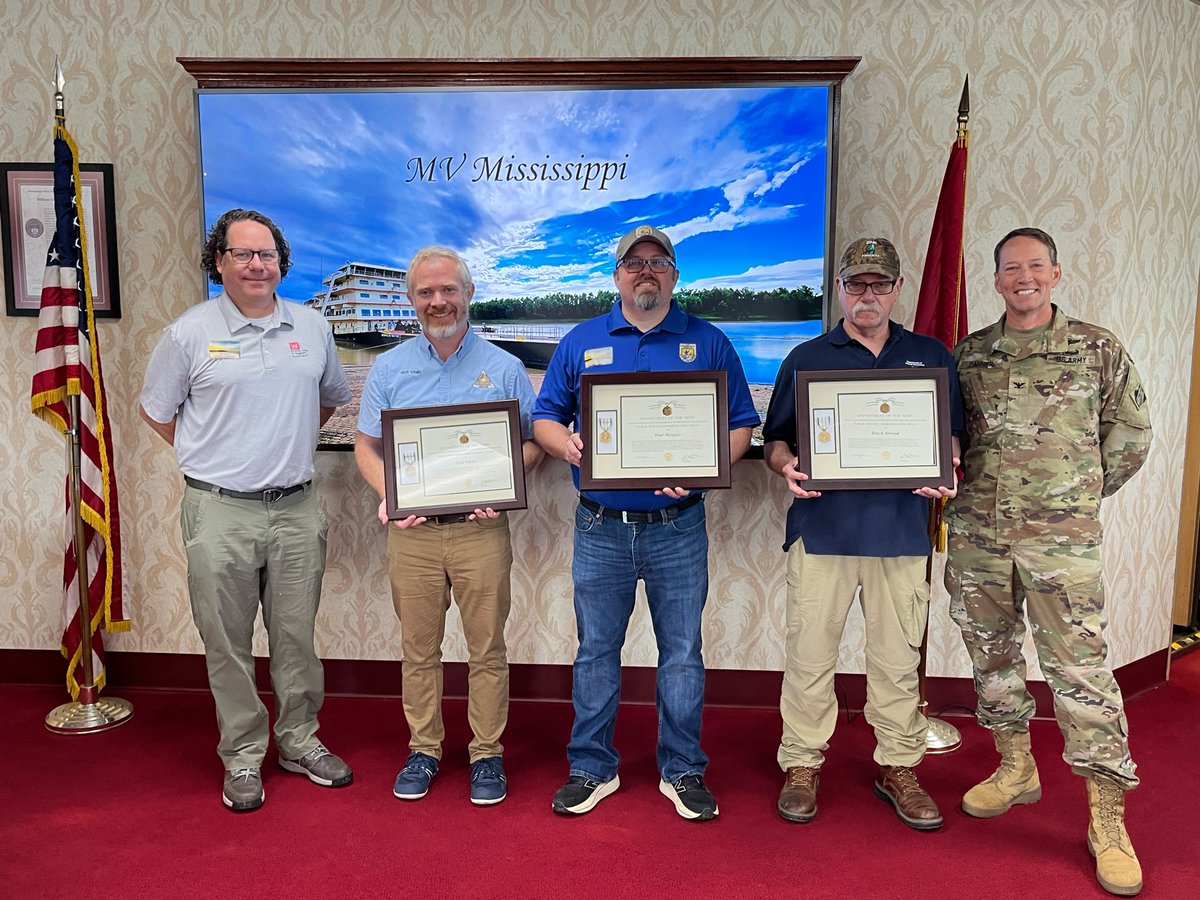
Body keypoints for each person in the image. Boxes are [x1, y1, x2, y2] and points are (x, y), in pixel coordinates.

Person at [945, 227, 1152, 896]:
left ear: (1055, 275)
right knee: (992, 657)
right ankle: (1016, 768)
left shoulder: (1096, 348)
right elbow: (945, 439)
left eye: (1036, 265)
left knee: (1080, 672)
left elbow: (1131, 435)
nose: (1024, 276)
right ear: (997, 279)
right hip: (979, 537)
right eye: (1012, 268)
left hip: (1060, 543)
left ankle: (1108, 819)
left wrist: (1079, 494)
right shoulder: (970, 355)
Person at [532, 225, 759, 821]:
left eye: (658, 262)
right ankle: (591, 767)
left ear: (675, 275)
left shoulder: (709, 342)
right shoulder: (581, 341)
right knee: (595, 651)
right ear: (616, 276)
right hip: (600, 525)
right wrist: (570, 447)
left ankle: (682, 770)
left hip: (678, 525)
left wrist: (707, 469)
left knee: (682, 652)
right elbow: (545, 418)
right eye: (634, 263)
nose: (646, 272)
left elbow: (740, 425)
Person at [139, 208, 353, 812]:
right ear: (219, 262)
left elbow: (331, 401)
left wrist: (278, 450)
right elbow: (157, 413)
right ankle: (241, 754)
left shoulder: (312, 327)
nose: (257, 265)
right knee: (226, 641)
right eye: (243, 254)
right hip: (218, 512)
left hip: (296, 508)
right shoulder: (187, 333)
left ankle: (299, 741)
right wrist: (215, 458)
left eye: (267, 254)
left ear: (280, 263)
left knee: (295, 637)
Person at [762, 237, 962, 831]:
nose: (867, 295)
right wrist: (786, 467)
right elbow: (776, 442)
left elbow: (950, 441)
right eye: (856, 285)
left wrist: (947, 466)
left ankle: (898, 765)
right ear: (841, 291)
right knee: (809, 656)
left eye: (879, 284)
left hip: (901, 536)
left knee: (897, 660)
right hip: (821, 534)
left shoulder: (932, 356)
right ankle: (801, 764)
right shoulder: (806, 356)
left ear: (897, 289)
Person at [354, 246, 541, 806]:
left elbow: (533, 443)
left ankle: (487, 754)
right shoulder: (388, 368)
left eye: (449, 290)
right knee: (420, 649)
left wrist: (502, 485)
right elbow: (366, 448)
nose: (439, 301)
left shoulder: (505, 367)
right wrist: (391, 493)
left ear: (469, 294)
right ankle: (424, 748)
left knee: (486, 648)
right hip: (411, 533)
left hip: (481, 530)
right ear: (412, 300)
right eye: (426, 292)